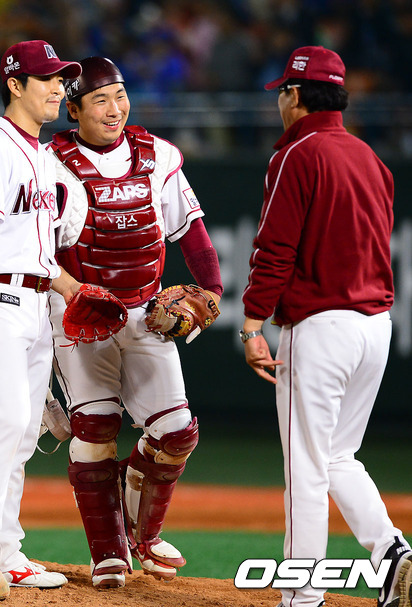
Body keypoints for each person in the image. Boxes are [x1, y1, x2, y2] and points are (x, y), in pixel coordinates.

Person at [240, 45, 412, 607]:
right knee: (338, 456)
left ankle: (302, 597)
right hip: (376, 326)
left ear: (294, 95)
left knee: (307, 471)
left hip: (322, 327)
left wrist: (252, 324)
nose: (280, 103)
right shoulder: (371, 157)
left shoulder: (298, 153)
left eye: (282, 93)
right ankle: (391, 552)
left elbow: (275, 250)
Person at [47, 56, 223, 589]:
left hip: (146, 315)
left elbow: (192, 233)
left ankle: (143, 531)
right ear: (73, 109)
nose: (114, 108)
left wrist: (211, 292)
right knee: (95, 428)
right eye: (99, 99)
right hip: (80, 318)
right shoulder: (47, 164)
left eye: (120, 95)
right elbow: (35, 250)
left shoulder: (158, 155)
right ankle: (108, 553)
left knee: (178, 433)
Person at [0, 40, 83, 601]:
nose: (58, 88)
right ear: (15, 84)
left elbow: (34, 250)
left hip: (33, 302)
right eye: (46, 78)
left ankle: (8, 550)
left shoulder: (41, 155)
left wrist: (71, 288)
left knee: (25, 431)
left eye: (60, 79)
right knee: (4, 420)